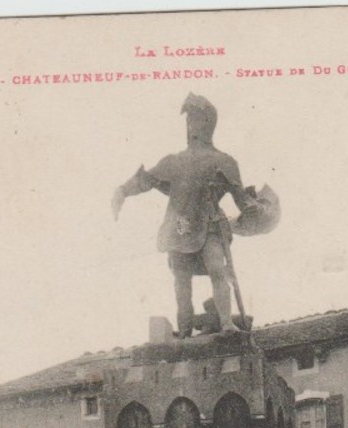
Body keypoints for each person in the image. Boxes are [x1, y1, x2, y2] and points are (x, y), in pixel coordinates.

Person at [112, 93, 270, 338]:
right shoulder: (173, 161)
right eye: (189, 120)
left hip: (211, 224)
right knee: (181, 282)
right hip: (180, 226)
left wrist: (256, 208)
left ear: (208, 124)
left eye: (197, 120)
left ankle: (226, 322)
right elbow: (146, 180)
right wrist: (122, 191)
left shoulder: (224, 161)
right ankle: (185, 330)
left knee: (218, 269)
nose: (191, 125)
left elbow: (242, 200)